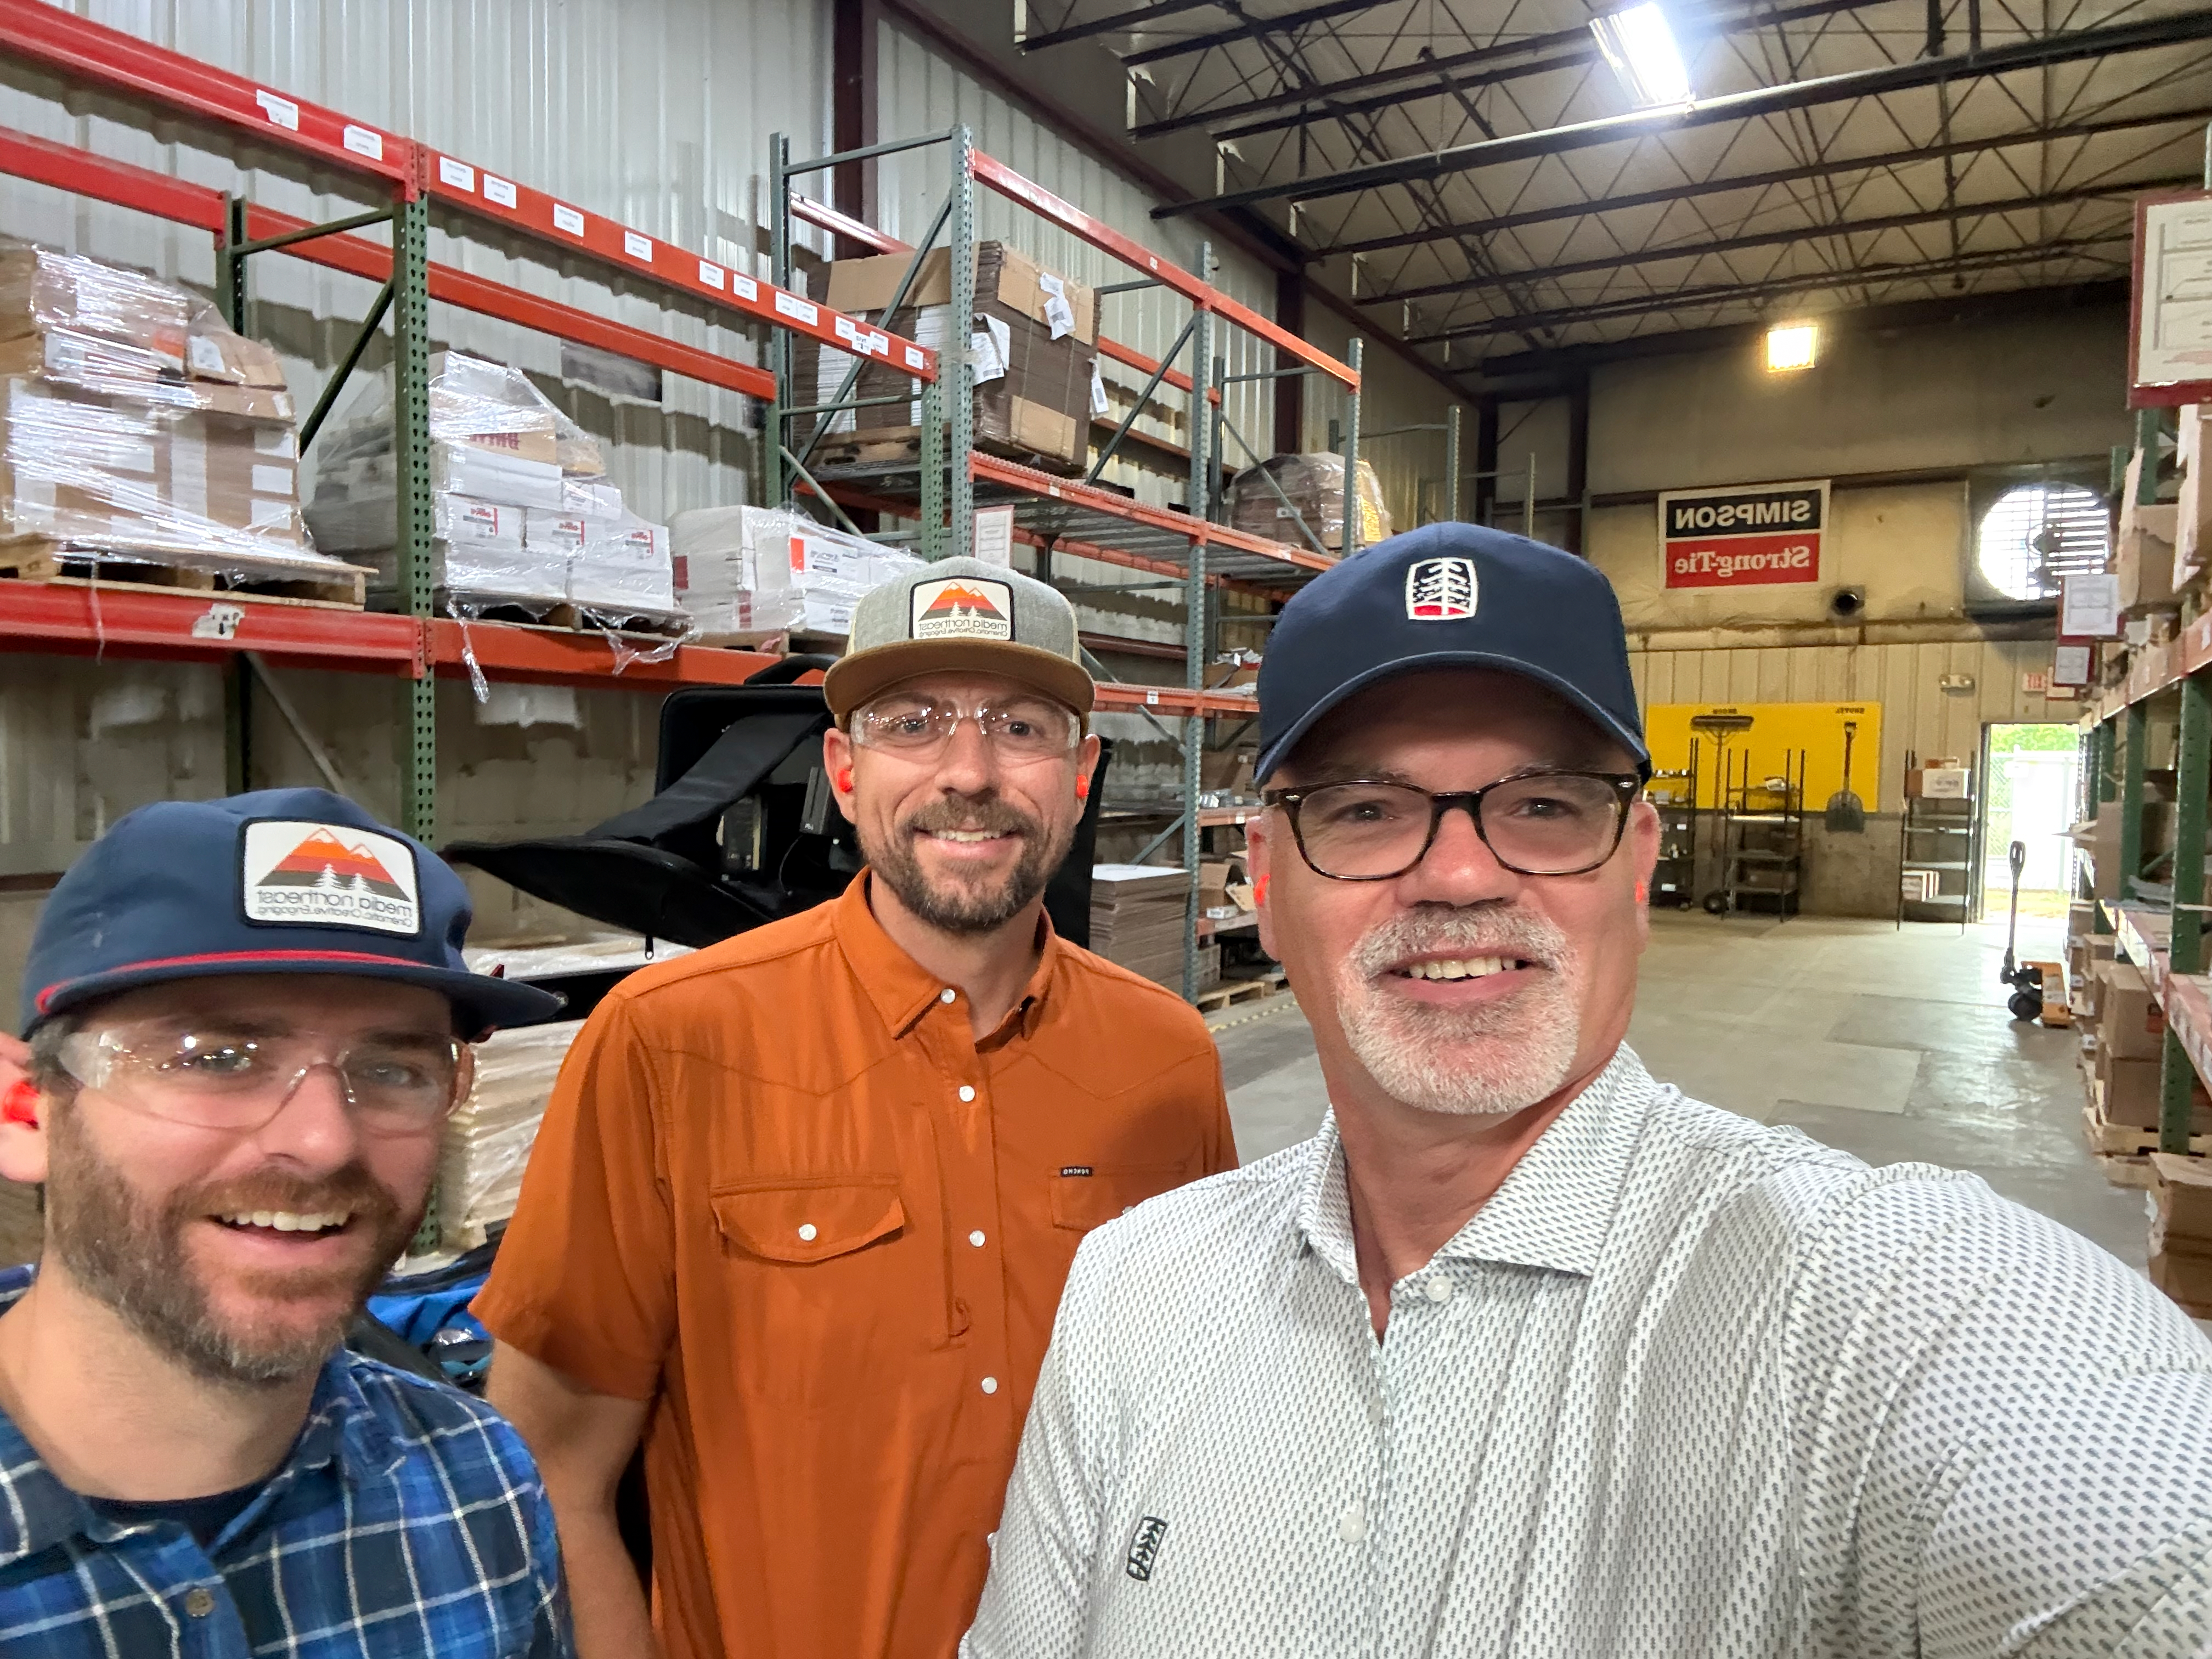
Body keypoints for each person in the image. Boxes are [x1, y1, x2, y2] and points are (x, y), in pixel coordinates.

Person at [964, 524, 2212, 1657]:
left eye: (1545, 805)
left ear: (1637, 865)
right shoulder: (1138, 1289)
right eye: (1363, 808)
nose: (1458, 874)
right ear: (1266, 885)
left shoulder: (1858, 1300)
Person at [477, 556, 1238, 1659]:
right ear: (844, 767)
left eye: (1021, 727)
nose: (968, 772)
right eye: (913, 722)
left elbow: (1200, 1430)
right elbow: (554, 1470)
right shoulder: (668, 1041)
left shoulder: (1164, 1060)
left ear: (1081, 774)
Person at [0, 787, 573, 1657]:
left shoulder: (474, 1484)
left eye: (393, 1069)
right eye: (215, 1059)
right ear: (26, 1112)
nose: (322, 1141)